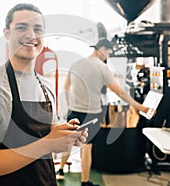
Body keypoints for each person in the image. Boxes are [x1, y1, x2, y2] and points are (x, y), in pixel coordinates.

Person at [0, 3, 88, 186]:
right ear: (7, 33)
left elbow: (42, 133)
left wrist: (63, 134)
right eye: (22, 27)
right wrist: (48, 144)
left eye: (38, 29)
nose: (31, 35)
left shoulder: (45, 86)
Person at [56, 39, 152, 186]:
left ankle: (60, 170)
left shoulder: (76, 64)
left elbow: (66, 86)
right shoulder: (102, 67)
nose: (108, 55)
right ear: (101, 49)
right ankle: (85, 182)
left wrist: (68, 106)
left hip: (74, 110)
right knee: (86, 147)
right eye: (108, 52)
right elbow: (121, 93)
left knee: (68, 142)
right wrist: (142, 108)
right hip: (91, 113)